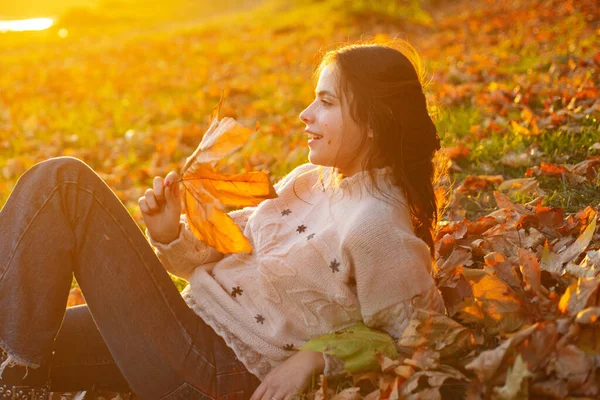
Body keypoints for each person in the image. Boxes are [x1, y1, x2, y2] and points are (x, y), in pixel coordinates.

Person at [0, 40, 446, 400]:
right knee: (13, 341)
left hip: (216, 370)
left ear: (374, 122)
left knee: (64, 185)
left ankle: (17, 370)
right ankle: (17, 372)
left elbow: (416, 337)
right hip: (181, 325)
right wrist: (170, 233)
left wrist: (314, 357)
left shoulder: (377, 226)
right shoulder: (311, 179)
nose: (304, 115)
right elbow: (232, 242)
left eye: (326, 102)